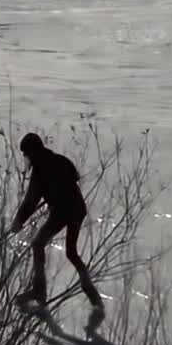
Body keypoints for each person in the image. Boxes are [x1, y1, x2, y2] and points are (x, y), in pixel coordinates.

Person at [11, 132, 102, 312]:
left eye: (28, 154)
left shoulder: (39, 171)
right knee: (71, 252)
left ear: (34, 151)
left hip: (63, 212)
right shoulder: (60, 160)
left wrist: (18, 222)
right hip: (77, 209)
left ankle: (39, 291)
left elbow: (31, 201)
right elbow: (74, 176)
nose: (28, 158)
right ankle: (91, 292)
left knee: (37, 245)